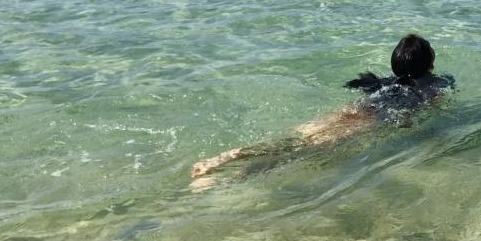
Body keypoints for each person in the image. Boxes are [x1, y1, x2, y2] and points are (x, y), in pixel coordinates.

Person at [189, 34, 454, 185]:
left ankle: (232, 159)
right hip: (373, 119)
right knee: (299, 151)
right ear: (430, 60)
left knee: (296, 142)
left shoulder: (385, 81)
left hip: (353, 110)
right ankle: (230, 176)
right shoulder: (438, 85)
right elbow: (431, 111)